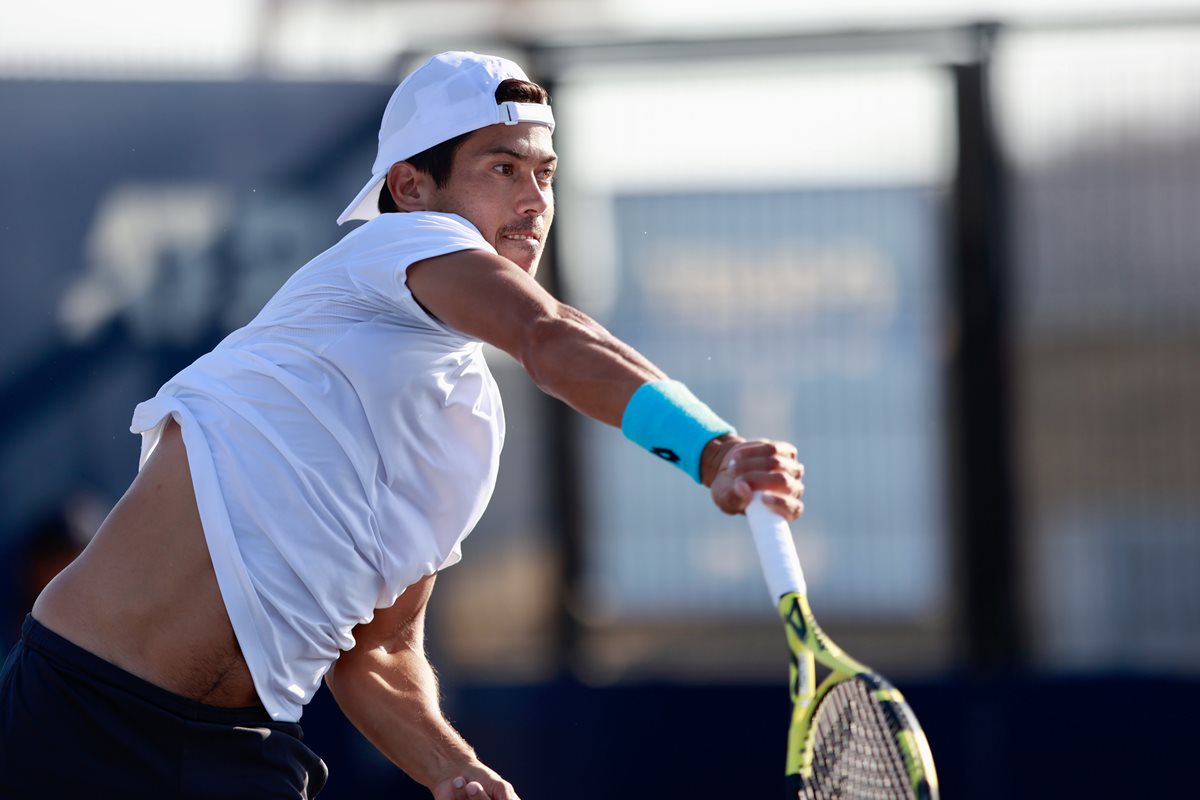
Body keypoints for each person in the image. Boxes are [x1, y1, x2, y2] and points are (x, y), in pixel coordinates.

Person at [0, 51, 804, 799]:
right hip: (71, 712)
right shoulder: (394, 247)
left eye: (545, 175)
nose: (534, 201)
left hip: (240, 753)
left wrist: (454, 768)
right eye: (503, 169)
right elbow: (550, 335)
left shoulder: (469, 433)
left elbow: (379, 650)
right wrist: (711, 449)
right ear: (411, 188)